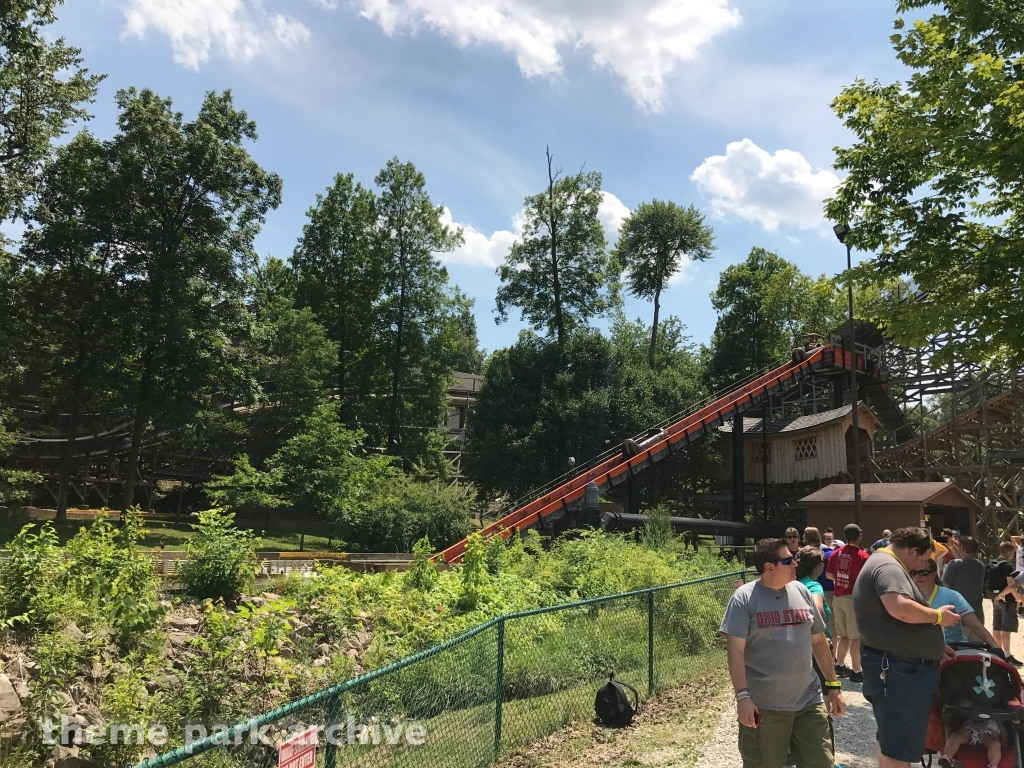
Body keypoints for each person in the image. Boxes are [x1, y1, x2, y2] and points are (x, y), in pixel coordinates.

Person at [721, 537, 846, 768]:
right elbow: (735, 652)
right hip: (765, 708)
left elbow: (819, 641)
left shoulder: (801, 590)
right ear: (769, 567)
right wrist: (742, 697)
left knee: (822, 763)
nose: (796, 564)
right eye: (788, 560)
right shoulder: (744, 598)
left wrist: (833, 686)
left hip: (809, 703)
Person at [853, 527, 961, 768]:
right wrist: (938, 617)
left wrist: (932, 646)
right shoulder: (889, 567)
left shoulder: (881, 561)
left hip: (896, 665)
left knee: (891, 739)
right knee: (899, 748)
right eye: (922, 559)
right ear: (912, 551)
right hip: (900, 670)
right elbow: (899, 607)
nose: (920, 566)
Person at [911, 558, 998, 648]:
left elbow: (974, 624)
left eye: (923, 573)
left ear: (934, 573)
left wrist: (996, 647)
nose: (917, 577)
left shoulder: (952, 596)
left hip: (954, 649)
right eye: (914, 572)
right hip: (924, 650)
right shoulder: (909, 597)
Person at [825, 524, 870, 682]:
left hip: (838, 597)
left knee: (843, 635)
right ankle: (857, 671)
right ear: (858, 537)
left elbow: (829, 575)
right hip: (852, 598)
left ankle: (840, 663)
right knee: (855, 638)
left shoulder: (835, 554)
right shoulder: (863, 556)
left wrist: (840, 578)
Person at [941, 536, 987, 641]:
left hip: (958, 619)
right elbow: (964, 561)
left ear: (961, 548)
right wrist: (952, 546)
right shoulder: (980, 566)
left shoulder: (954, 565)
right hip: (977, 618)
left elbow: (944, 588)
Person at [937, 699, 1007, 768]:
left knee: (995, 744)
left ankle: (993, 764)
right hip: (970, 730)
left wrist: (1004, 743)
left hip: (988, 734)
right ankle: (947, 756)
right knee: (955, 736)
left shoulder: (997, 715)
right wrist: (965, 705)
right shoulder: (972, 708)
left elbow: (1003, 730)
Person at [990, 541, 1022, 666]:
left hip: (995, 599)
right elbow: (1011, 585)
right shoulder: (1007, 566)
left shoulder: (993, 562)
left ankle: (999, 652)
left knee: (996, 626)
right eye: (1013, 551)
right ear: (1009, 551)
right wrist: (1018, 599)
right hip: (1007, 601)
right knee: (1007, 628)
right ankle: (1007, 655)